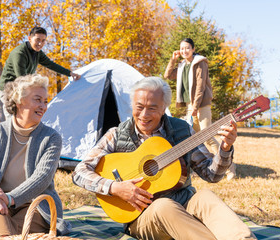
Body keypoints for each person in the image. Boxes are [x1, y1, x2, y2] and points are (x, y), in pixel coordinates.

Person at [72, 77, 256, 240]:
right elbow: (79, 172)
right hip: (142, 217)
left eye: (152, 108)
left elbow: (212, 175)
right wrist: (115, 187)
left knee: (205, 196)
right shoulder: (116, 134)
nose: (144, 115)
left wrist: (225, 149)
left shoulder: (182, 131)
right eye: (139, 107)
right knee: (163, 206)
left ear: (163, 109)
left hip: (185, 204)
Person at [0, 74, 70, 239]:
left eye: (45, 101)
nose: (44, 106)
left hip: (35, 206)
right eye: (38, 99)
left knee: (3, 229)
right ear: (19, 100)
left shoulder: (51, 138)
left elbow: (41, 178)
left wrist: (9, 198)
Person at [164, 38, 236, 180]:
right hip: (191, 105)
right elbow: (167, 75)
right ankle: (210, 165)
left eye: (187, 48)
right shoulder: (182, 66)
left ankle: (230, 168)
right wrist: (172, 60)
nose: (184, 51)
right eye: (182, 48)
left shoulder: (200, 63)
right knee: (194, 138)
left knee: (207, 136)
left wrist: (195, 107)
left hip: (201, 104)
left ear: (193, 49)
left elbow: (200, 86)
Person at [0, 26, 81, 122]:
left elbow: (50, 64)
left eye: (43, 40)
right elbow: (21, 78)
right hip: (8, 89)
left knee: (22, 119)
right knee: (12, 118)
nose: (40, 43)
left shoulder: (37, 53)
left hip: (21, 87)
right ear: (29, 38)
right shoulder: (19, 53)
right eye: (37, 40)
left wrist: (70, 73)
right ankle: (8, 135)